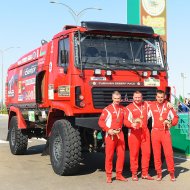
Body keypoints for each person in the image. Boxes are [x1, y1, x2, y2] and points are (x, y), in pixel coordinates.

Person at [149, 90, 179, 181]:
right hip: (155, 132)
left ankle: (172, 173)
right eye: (158, 97)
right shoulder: (151, 105)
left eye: (162, 97)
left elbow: (175, 117)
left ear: (164, 97)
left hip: (165, 132)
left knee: (168, 154)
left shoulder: (168, 106)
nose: (160, 99)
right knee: (156, 154)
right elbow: (143, 111)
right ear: (156, 97)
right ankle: (159, 173)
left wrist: (171, 123)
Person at [124, 91, 154, 181]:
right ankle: (134, 173)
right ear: (133, 98)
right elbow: (125, 121)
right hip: (134, 133)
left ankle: (145, 173)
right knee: (134, 154)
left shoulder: (147, 105)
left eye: (139, 97)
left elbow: (158, 103)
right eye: (136, 97)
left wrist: (167, 103)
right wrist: (131, 124)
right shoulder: (128, 108)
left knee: (147, 153)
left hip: (145, 131)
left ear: (142, 97)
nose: (137, 99)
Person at [98, 91, 127, 183]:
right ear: (112, 98)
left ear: (121, 99)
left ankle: (119, 174)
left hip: (120, 133)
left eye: (118, 99)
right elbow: (101, 122)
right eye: (115, 98)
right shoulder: (107, 109)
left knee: (121, 155)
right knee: (109, 156)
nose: (117, 100)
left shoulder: (123, 108)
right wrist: (108, 129)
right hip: (110, 134)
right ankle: (109, 176)